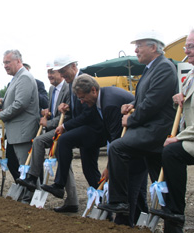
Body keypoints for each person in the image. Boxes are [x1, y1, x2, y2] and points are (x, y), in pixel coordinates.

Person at [98, 30, 178, 217]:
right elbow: (145, 97)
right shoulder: (152, 68)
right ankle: (168, 212)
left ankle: (119, 202)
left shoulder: (164, 68)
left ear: (153, 47)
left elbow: (152, 103)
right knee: (158, 174)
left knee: (117, 148)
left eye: (139, 46)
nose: (135, 50)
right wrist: (132, 104)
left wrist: (131, 119)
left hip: (157, 130)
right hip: (149, 129)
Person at [73, 74, 147, 226]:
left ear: (93, 90)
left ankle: (123, 223)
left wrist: (109, 167)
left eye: (82, 97)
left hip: (136, 145)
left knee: (128, 187)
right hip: (133, 143)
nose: (81, 101)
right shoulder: (102, 99)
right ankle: (140, 221)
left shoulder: (110, 104)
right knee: (137, 189)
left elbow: (116, 139)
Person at [41, 55, 104, 212]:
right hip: (84, 131)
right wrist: (67, 106)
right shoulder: (71, 83)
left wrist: (66, 126)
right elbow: (78, 105)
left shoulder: (84, 80)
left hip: (93, 130)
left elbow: (88, 113)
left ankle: (59, 184)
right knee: (89, 170)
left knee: (64, 140)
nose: (62, 76)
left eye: (63, 71)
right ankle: (103, 204)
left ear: (73, 66)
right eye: (60, 72)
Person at [150, 29, 194, 233]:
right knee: (166, 151)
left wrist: (178, 138)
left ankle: (175, 211)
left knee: (172, 152)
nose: (187, 51)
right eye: (187, 46)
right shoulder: (192, 72)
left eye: (191, 46)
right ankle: (173, 213)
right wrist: (181, 97)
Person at [16, 61, 72, 209]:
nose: (49, 76)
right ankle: (72, 202)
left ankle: (32, 178)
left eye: (52, 72)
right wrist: (47, 113)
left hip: (65, 130)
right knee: (65, 165)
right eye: (48, 73)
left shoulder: (68, 88)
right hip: (55, 127)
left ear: (60, 72)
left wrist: (50, 123)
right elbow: (55, 111)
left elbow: (69, 115)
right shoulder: (52, 89)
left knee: (39, 141)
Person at [0, 50, 39, 168]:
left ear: (18, 61)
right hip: (18, 133)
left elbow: (20, 104)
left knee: (26, 168)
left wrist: (0, 115)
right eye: (4, 63)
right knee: (23, 169)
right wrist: (2, 101)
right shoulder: (17, 77)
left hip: (23, 132)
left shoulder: (24, 77)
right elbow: (17, 98)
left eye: (8, 62)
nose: (5, 66)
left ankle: (32, 187)